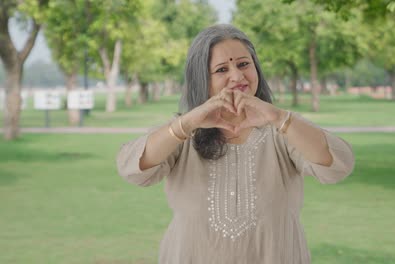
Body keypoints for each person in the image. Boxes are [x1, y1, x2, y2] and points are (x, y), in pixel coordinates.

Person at [116, 24, 355, 264]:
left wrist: (278, 118)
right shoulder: (183, 134)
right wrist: (187, 123)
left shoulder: (282, 128)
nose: (238, 76)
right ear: (202, 79)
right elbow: (133, 170)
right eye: (222, 69)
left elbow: (336, 166)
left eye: (243, 64)